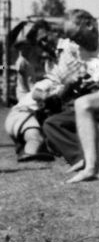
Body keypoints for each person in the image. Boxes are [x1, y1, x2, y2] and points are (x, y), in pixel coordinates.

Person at [35, 9, 99, 180]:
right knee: (82, 105)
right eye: (71, 38)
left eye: (76, 35)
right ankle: (91, 167)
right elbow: (93, 74)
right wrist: (95, 80)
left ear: (89, 25)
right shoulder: (80, 49)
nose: (74, 41)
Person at [3, 19, 58, 161]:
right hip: (26, 101)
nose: (23, 49)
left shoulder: (42, 56)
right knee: (35, 136)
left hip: (34, 101)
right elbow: (9, 42)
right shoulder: (22, 59)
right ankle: (29, 150)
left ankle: (27, 148)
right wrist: (19, 26)